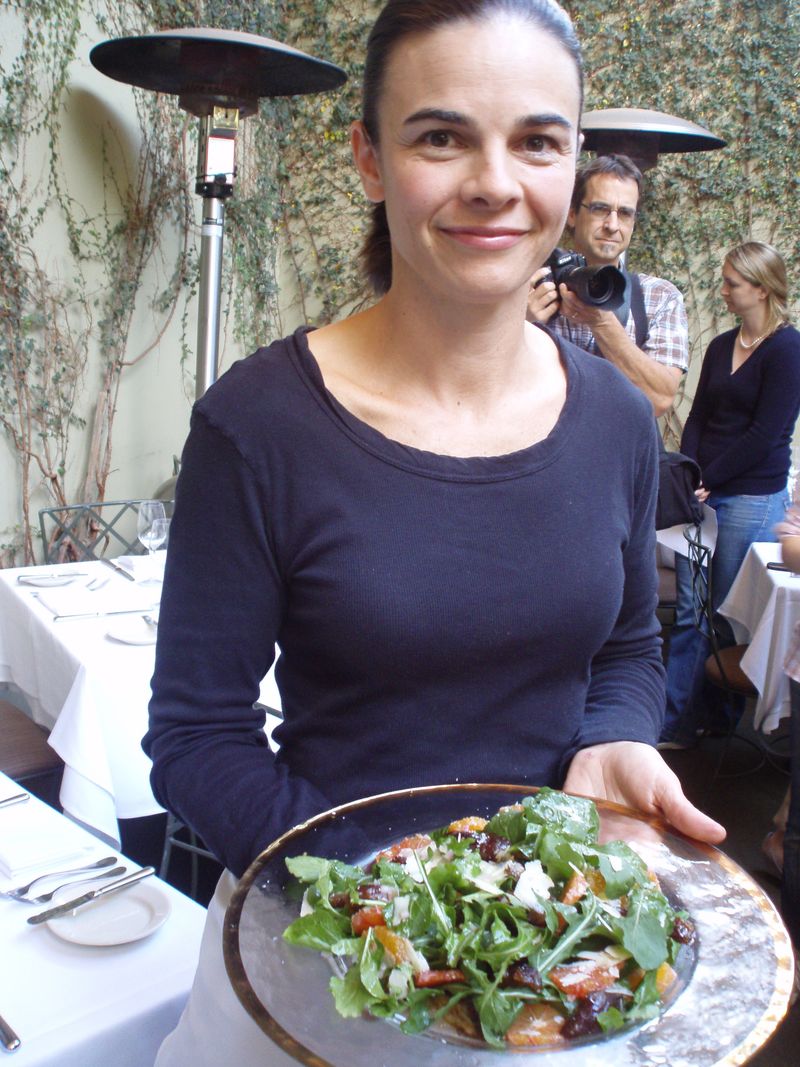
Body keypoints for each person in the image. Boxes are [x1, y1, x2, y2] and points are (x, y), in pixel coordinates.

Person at [144, 2, 724, 1061]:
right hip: (320, 940)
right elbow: (196, 736)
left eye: (537, 140)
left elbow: (626, 650)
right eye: (441, 134)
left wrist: (613, 737)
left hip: (544, 952)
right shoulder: (259, 424)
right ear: (370, 157)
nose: (495, 182)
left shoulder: (610, 420)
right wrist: (378, 894)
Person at [660, 242, 800, 748]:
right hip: (703, 491)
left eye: (732, 283)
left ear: (761, 288)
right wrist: (691, 471)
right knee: (692, 610)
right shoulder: (721, 345)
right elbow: (696, 415)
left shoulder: (788, 349)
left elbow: (767, 434)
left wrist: (710, 478)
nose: (722, 290)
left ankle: (714, 719)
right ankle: (675, 721)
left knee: (723, 614)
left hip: (749, 498)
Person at [526, 153, 688, 415]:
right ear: (572, 215)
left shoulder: (658, 296)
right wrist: (519, 323)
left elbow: (658, 399)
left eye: (624, 213)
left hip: (618, 454)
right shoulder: (528, 283)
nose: (612, 225)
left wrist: (602, 322)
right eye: (600, 209)